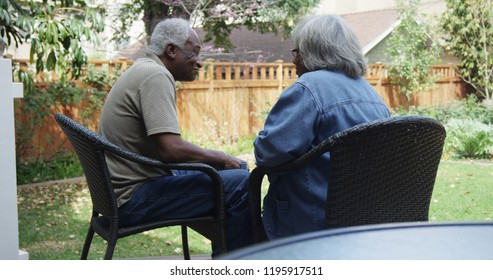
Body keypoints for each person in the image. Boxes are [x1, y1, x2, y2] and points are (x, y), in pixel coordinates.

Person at [98, 18, 253, 256]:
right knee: (240, 182)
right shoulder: (155, 76)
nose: (199, 62)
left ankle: (235, 251)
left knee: (234, 170)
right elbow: (170, 150)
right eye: (195, 53)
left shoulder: (143, 69)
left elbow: (166, 151)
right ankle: (245, 259)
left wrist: (217, 161)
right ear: (171, 50)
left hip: (121, 192)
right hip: (133, 199)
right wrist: (219, 156)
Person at [253, 14, 391, 240]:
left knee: (235, 205)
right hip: (365, 219)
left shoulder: (307, 88)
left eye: (296, 51)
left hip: (313, 220)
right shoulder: (371, 94)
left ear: (311, 50)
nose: (293, 59)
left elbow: (268, 153)